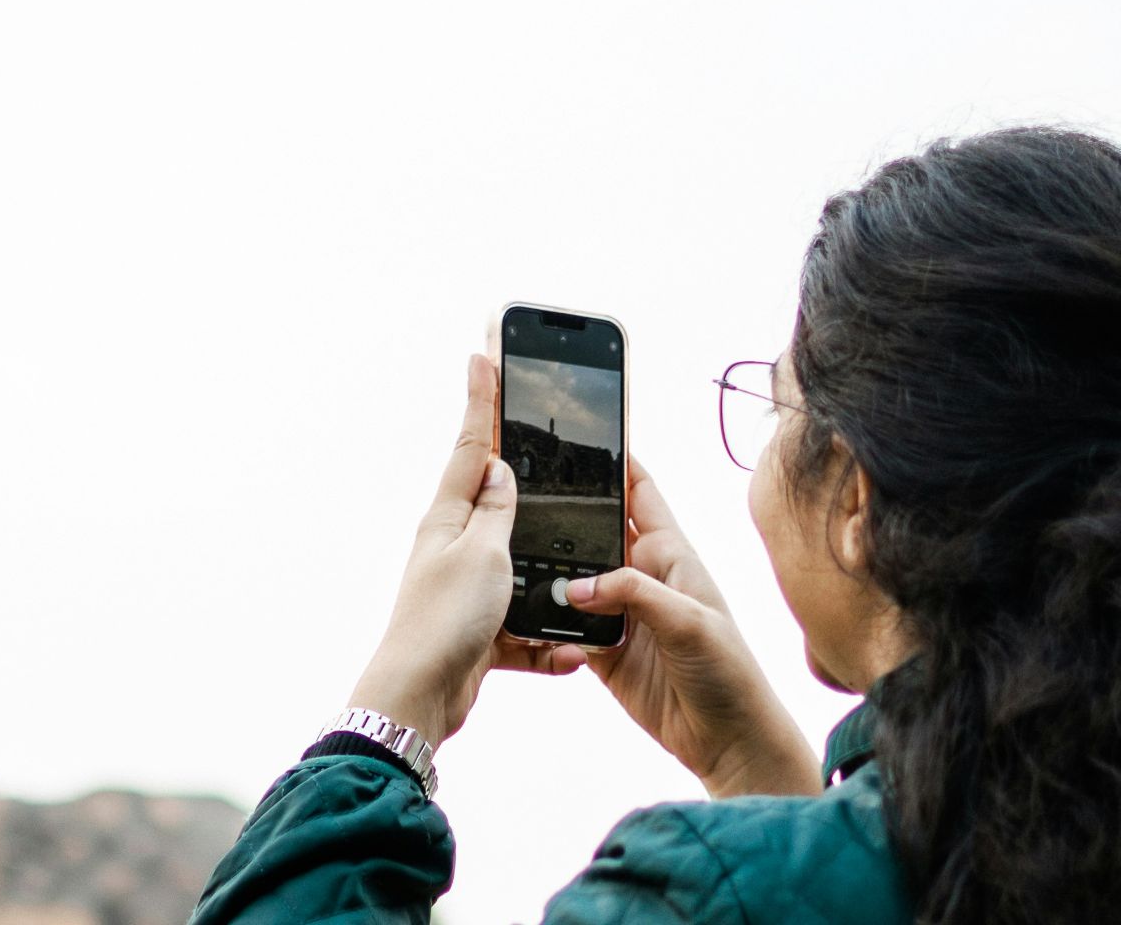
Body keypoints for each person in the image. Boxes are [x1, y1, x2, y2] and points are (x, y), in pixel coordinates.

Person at [190, 126, 1121, 924]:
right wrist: (765, 779)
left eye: (776, 411)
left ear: (854, 504)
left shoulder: (698, 895)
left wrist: (387, 720)